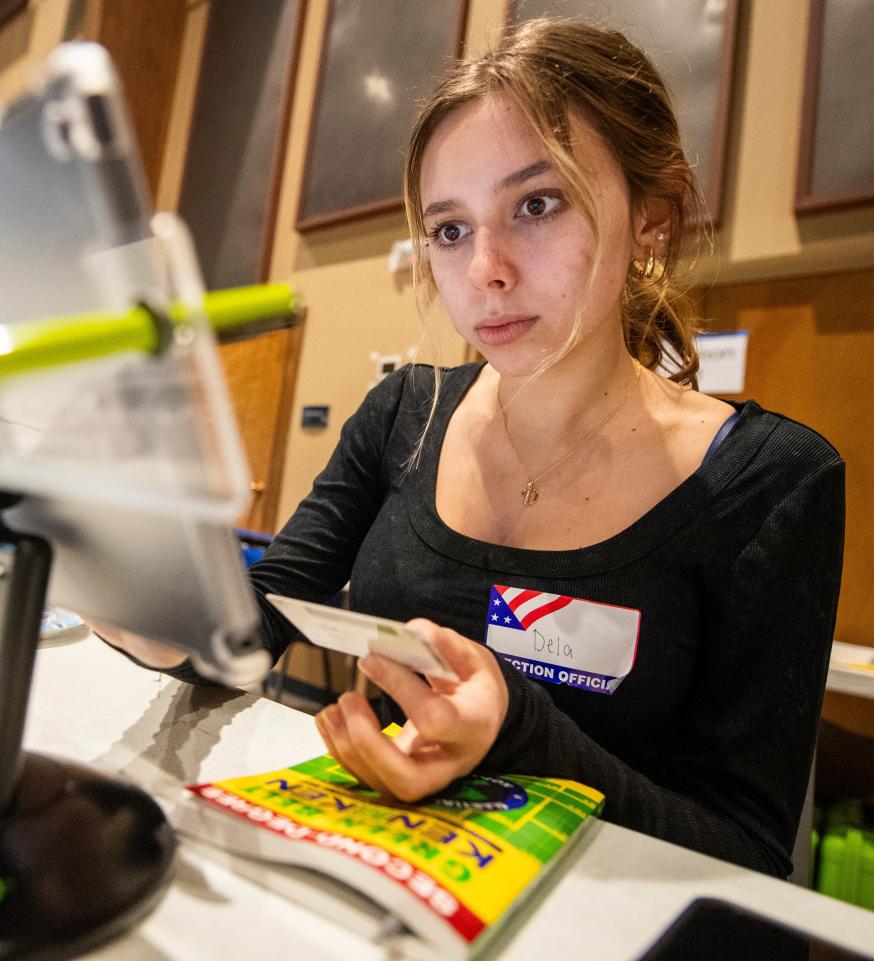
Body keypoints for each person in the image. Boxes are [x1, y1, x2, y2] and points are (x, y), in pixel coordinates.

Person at [99, 18, 845, 880]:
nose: (484, 269)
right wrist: (150, 610)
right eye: (450, 230)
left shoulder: (771, 482)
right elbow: (260, 620)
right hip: (371, 896)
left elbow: (747, 850)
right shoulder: (403, 415)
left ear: (652, 218)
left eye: (537, 203)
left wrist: (515, 733)